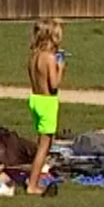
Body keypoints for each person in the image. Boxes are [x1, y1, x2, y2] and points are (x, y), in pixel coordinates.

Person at [25, 19, 65, 195]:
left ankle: (36, 174)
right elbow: (54, 84)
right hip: (47, 102)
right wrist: (61, 67)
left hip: (35, 99)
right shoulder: (48, 58)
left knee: (43, 142)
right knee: (44, 146)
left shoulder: (34, 56)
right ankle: (33, 185)